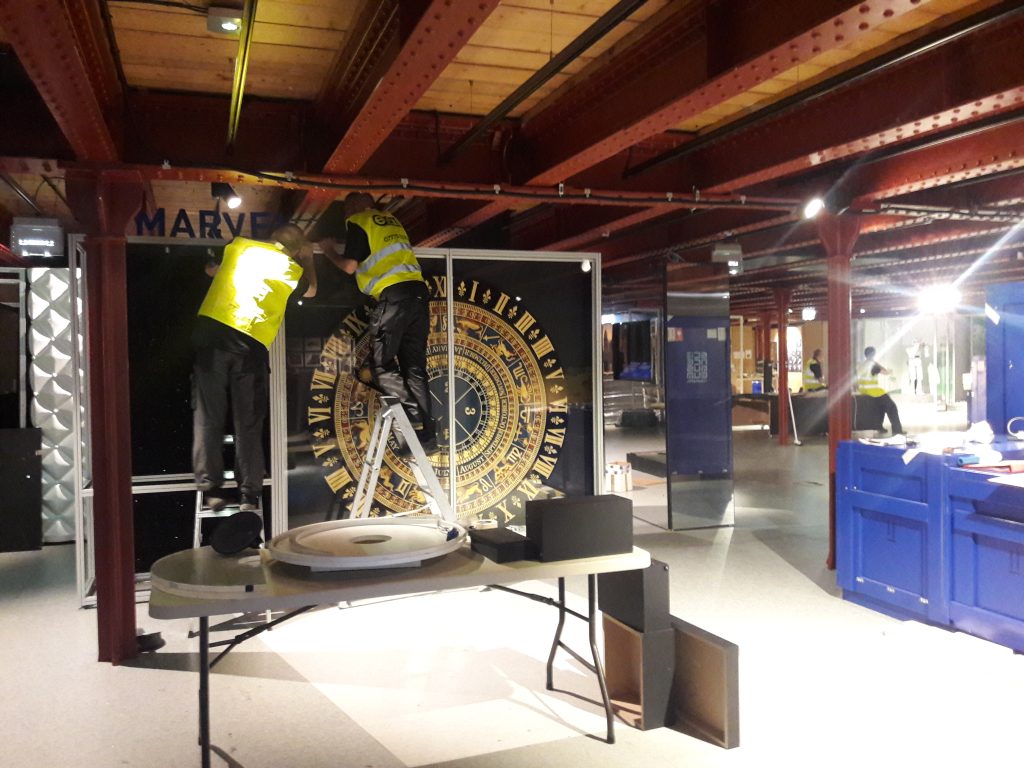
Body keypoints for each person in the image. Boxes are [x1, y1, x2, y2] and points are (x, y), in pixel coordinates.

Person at [192, 224, 316, 511]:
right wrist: (308, 260)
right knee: (247, 424)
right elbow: (311, 290)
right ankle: (249, 495)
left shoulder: (240, 246)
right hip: (250, 348)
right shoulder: (291, 269)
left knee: (208, 417)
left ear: (273, 237)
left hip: (212, 340)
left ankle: (211, 489)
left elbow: (211, 270)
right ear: (297, 250)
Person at [321, 192, 438, 454]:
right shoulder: (390, 221)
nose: (345, 216)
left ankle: (411, 419)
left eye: (345, 210)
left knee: (382, 365)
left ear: (353, 206)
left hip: (393, 298)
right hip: (418, 295)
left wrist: (328, 250)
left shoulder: (358, 221)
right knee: (415, 369)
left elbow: (350, 266)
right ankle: (428, 436)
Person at [858, 346, 904, 435]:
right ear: (873, 354)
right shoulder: (873, 365)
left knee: (880, 407)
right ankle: (897, 430)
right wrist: (875, 362)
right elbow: (885, 372)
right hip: (873, 391)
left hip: (863, 390)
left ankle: (879, 427)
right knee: (892, 407)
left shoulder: (862, 365)